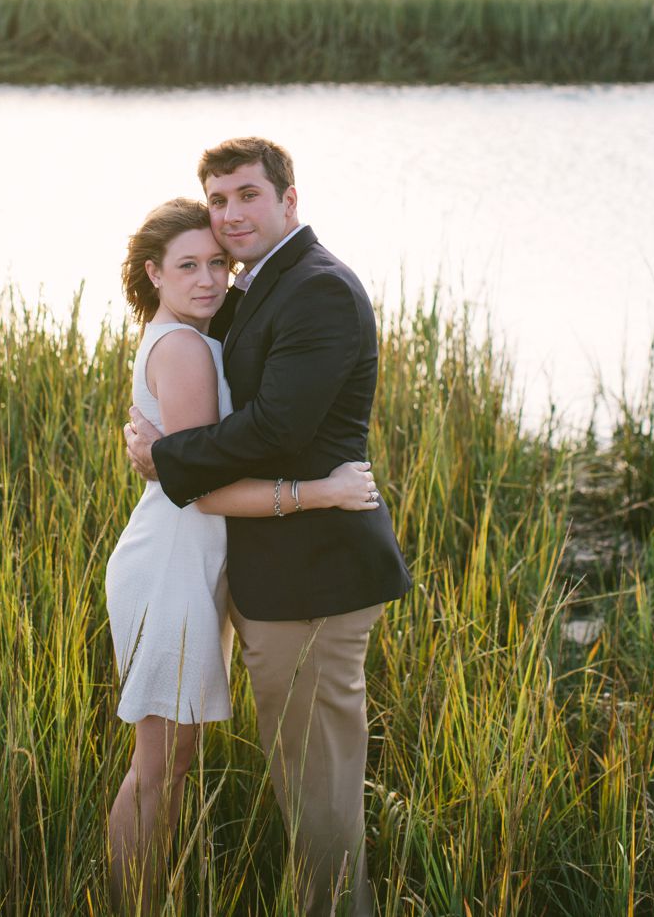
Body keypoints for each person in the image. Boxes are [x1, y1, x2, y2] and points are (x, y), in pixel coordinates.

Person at [125, 139, 412, 917]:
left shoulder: (317, 289)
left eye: (248, 195)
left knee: (318, 799)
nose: (230, 214)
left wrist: (166, 457)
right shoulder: (258, 285)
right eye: (218, 200)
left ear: (289, 198)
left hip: (314, 579)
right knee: (300, 785)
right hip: (272, 576)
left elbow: (279, 426)